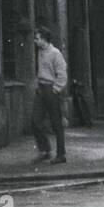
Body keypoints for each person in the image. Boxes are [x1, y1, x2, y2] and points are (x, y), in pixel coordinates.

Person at [31, 25, 68, 164]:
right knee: (35, 120)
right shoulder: (40, 52)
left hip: (51, 89)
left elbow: (62, 74)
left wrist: (56, 89)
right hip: (41, 89)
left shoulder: (55, 53)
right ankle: (45, 150)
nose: (35, 41)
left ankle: (61, 155)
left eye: (37, 39)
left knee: (56, 123)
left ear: (44, 39)